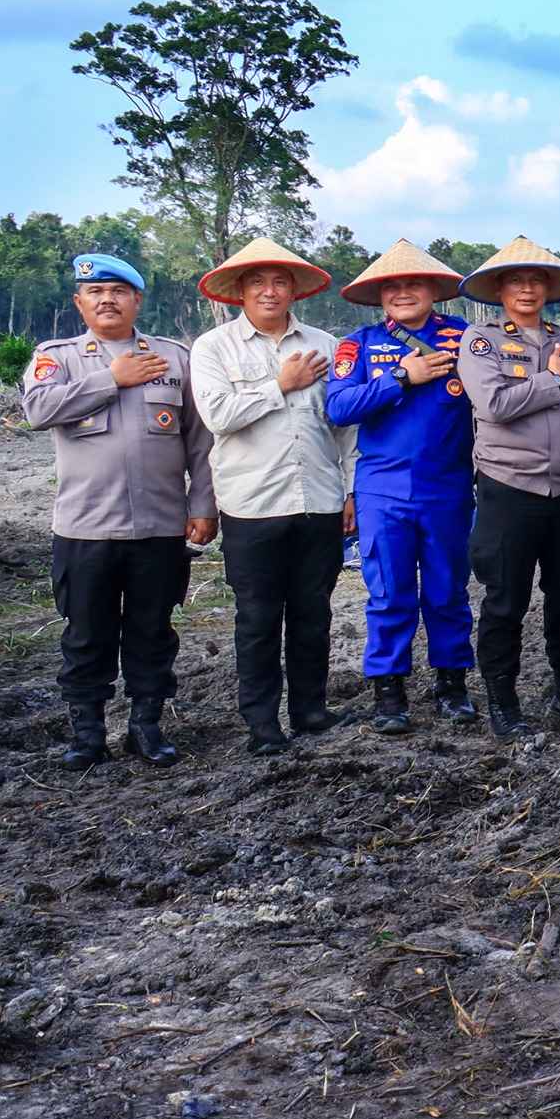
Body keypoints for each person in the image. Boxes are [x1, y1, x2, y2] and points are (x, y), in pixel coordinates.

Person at [24, 251, 214, 770]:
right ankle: (88, 734)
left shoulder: (174, 357)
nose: (107, 300)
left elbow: (199, 441)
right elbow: (38, 410)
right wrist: (113, 377)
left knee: (153, 631)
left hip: (159, 525)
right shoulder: (57, 356)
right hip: (86, 528)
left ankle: (146, 728)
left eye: (118, 292)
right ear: (79, 303)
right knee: (86, 633)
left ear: (137, 300)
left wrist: (203, 504)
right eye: (95, 292)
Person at [191, 237, 356, 754]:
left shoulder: (326, 345)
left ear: (294, 291)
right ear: (239, 292)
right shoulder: (213, 348)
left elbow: (344, 428)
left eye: (279, 281)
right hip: (252, 506)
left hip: (320, 501)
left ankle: (310, 709)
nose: (269, 291)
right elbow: (217, 416)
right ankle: (262, 722)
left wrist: (352, 491)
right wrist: (280, 384)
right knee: (258, 618)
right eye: (257, 282)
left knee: (313, 611)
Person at [455, 237, 560, 740]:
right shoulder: (481, 343)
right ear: (500, 289)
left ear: (548, 288)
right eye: (516, 280)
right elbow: (494, 406)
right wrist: (551, 378)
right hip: (509, 488)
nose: (526, 288)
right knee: (505, 600)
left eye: (536, 280)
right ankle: (502, 700)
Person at [325, 239, 477, 736]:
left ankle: (452, 683)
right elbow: (340, 408)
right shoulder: (359, 344)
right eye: (393, 285)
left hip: (448, 486)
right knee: (388, 592)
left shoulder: (465, 338)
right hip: (382, 489)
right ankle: (389, 690)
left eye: (414, 283)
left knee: (447, 589)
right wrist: (400, 378)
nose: (404, 292)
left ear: (433, 289)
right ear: (379, 294)